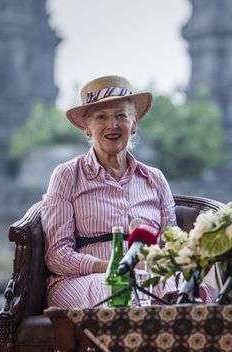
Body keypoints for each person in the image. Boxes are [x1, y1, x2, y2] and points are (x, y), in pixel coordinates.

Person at [42, 75, 212, 308]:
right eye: (101, 117)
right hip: (80, 280)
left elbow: (172, 247)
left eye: (121, 115)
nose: (112, 125)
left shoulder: (154, 179)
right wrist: (115, 266)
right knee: (120, 289)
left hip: (147, 276)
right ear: (87, 128)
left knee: (193, 290)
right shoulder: (68, 175)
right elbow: (57, 256)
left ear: (134, 124)